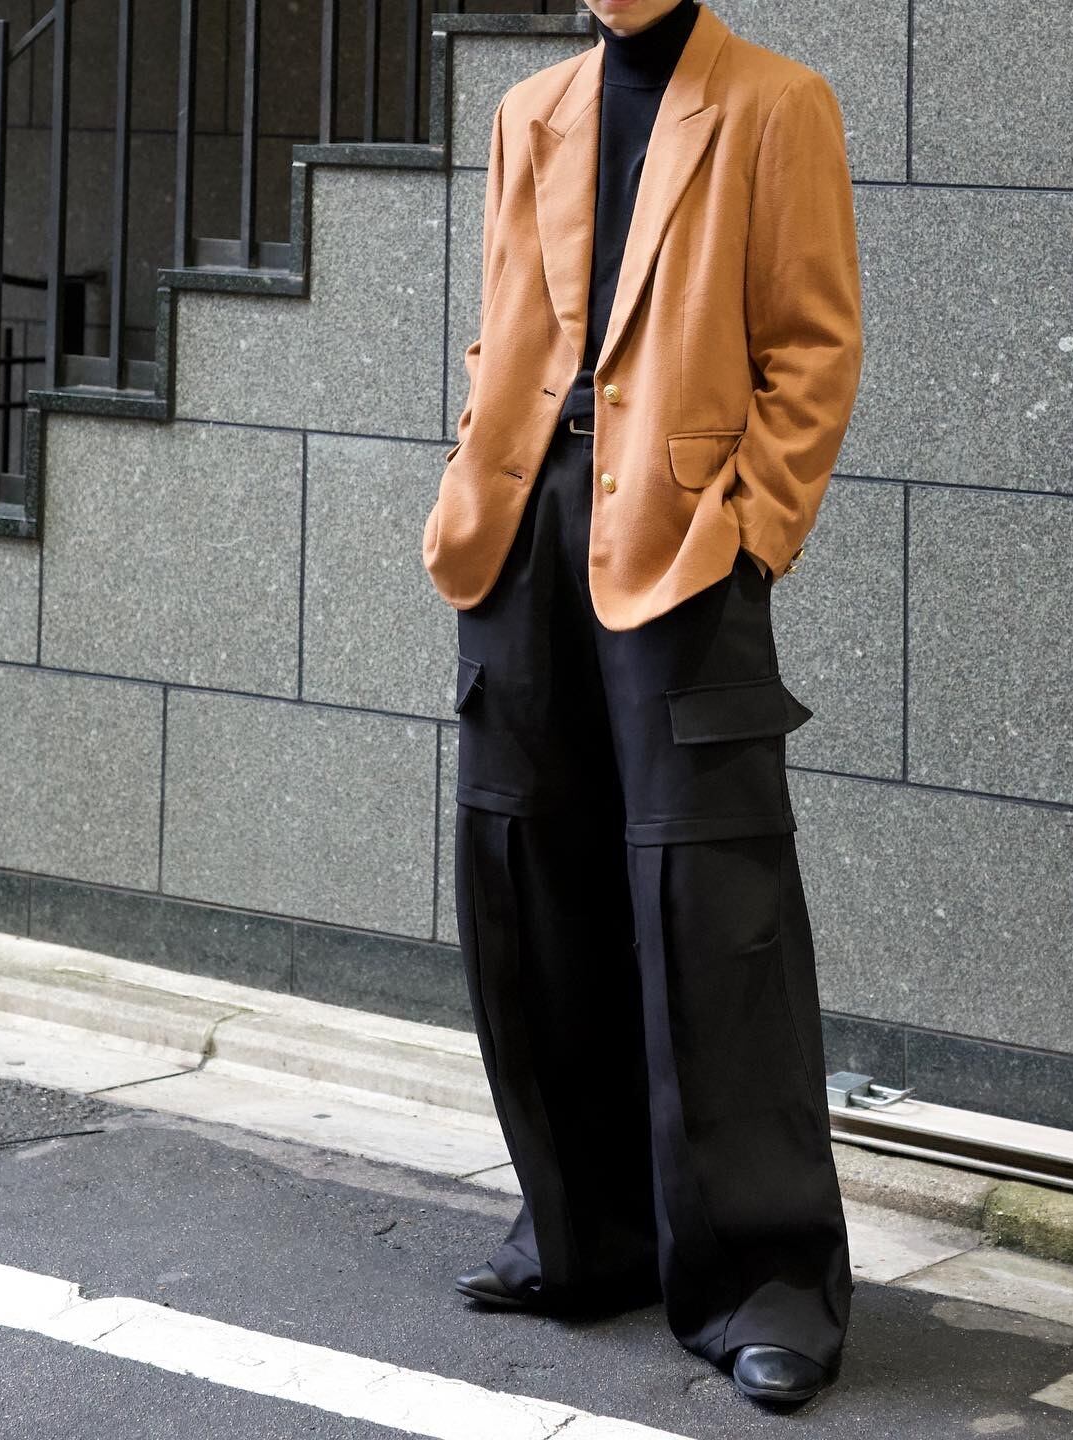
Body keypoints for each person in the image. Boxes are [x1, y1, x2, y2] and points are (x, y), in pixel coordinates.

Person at [421, 0, 863, 1409]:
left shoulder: (776, 103)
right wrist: (480, 458)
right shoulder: (529, 110)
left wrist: (752, 530)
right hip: (521, 533)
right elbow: (503, 330)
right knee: (525, 872)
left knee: (710, 900)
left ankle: (764, 1282)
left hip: (683, 542)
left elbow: (813, 347)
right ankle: (582, 1234)